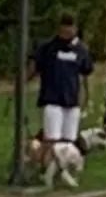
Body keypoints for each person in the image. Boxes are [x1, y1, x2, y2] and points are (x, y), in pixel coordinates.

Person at [34, 15, 94, 150]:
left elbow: (86, 74)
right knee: (52, 138)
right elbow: (35, 68)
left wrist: (87, 98)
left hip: (72, 100)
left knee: (69, 141)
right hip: (53, 98)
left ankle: (65, 167)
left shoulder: (81, 50)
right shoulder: (49, 48)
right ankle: (49, 165)